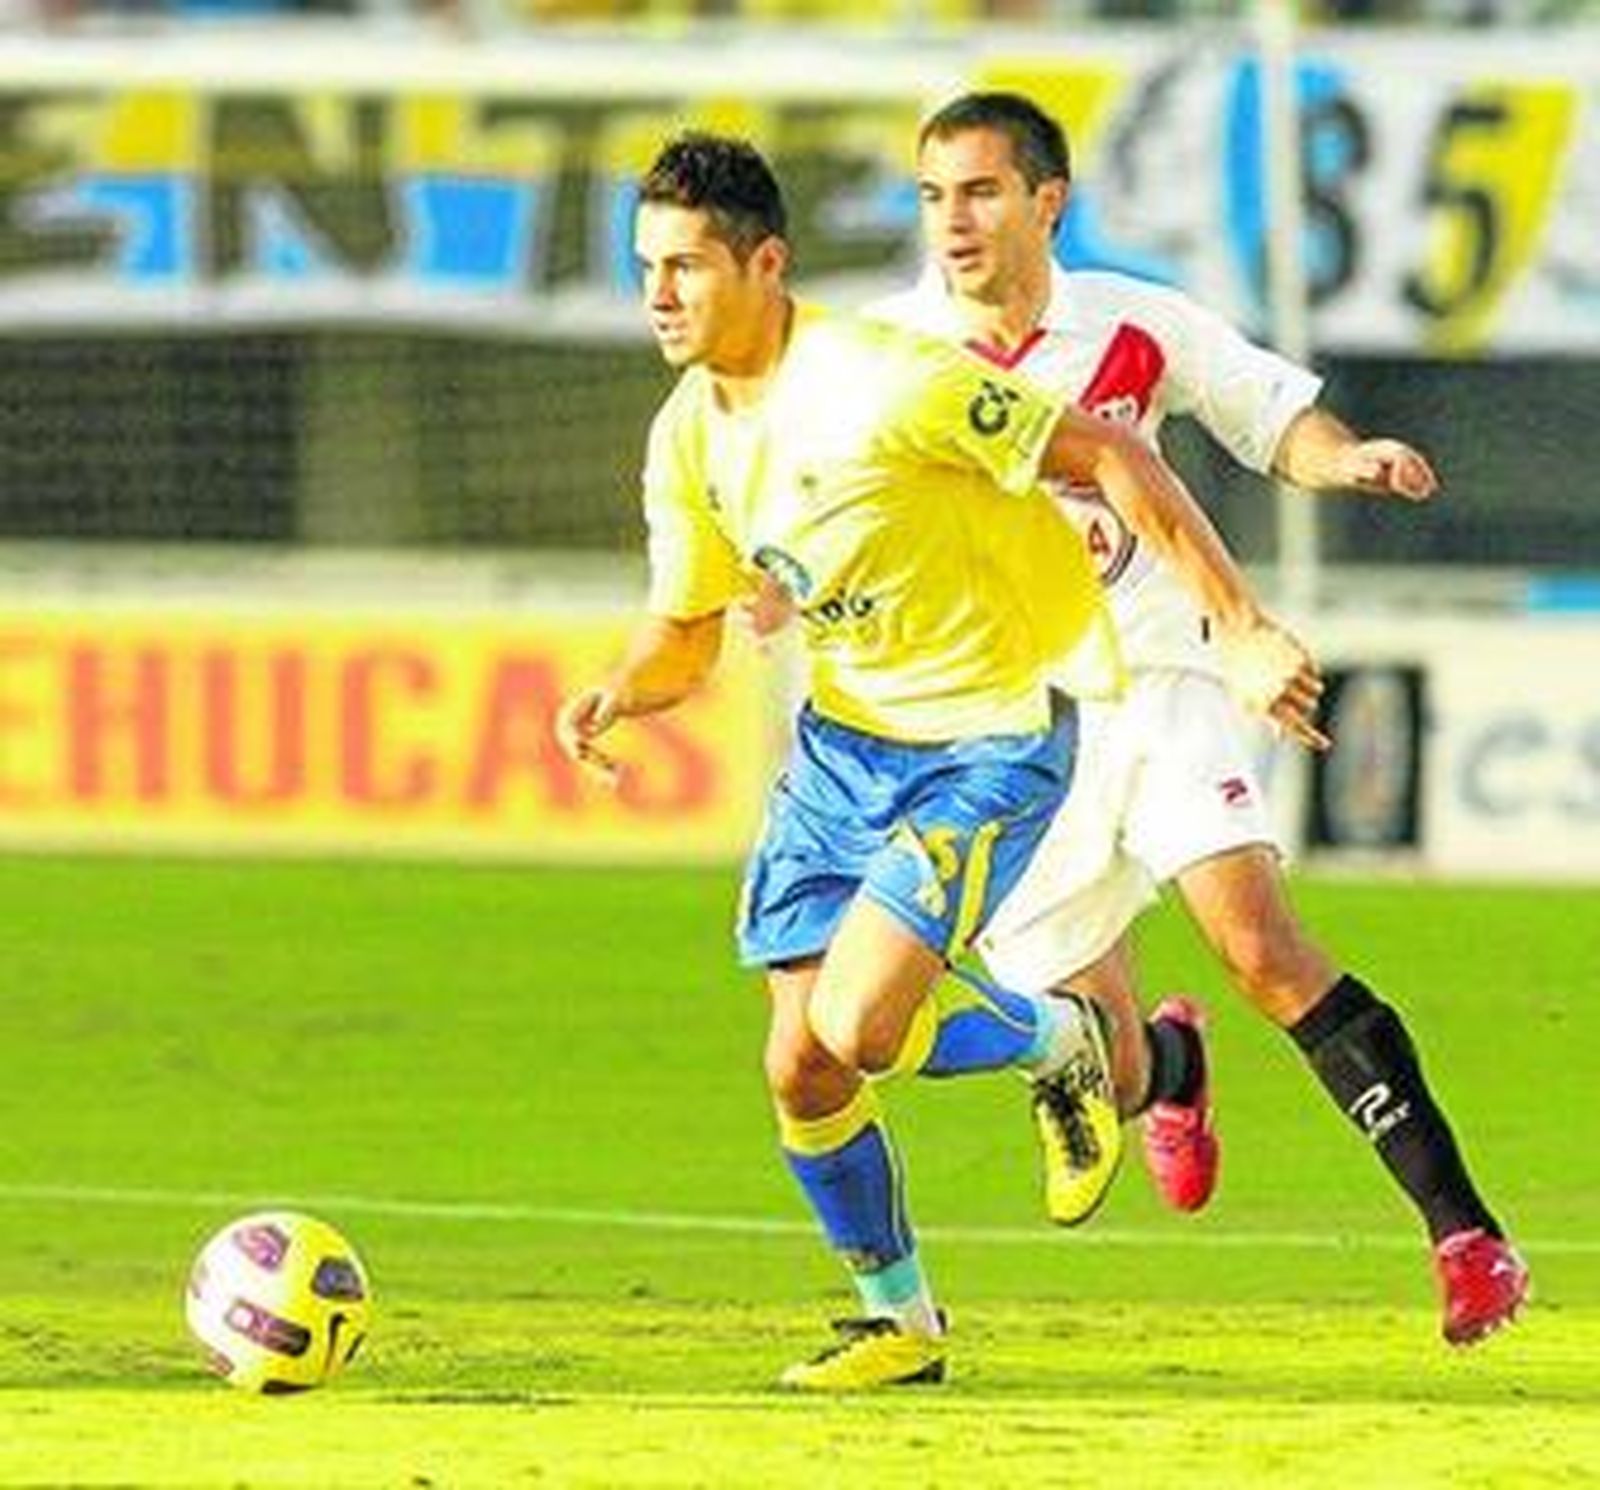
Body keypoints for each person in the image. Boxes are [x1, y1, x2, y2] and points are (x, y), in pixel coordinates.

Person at [556, 130, 1324, 1392]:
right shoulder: (686, 435)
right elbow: (686, 632)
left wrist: (1236, 625)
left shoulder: (885, 380)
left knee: (861, 1023)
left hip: (991, 735)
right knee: (797, 1058)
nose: (658, 294)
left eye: (687, 266)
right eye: (646, 267)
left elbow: (1114, 455)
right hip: (843, 750)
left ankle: (1058, 1037)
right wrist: (619, 694)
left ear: (766, 263)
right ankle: (898, 1323)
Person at [872, 89, 1528, 1346]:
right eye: (932, 194)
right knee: (1097, 1070)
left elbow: (1267, 410)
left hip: (1161, 679)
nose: (952, 220)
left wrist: (1341, 458)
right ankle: (1169, 1067)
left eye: (979, 190)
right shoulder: (892, 350)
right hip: (1014, 730)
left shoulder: (1131, 323)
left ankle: (1466, 1238)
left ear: (1044, 200)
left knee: (1261, 946)